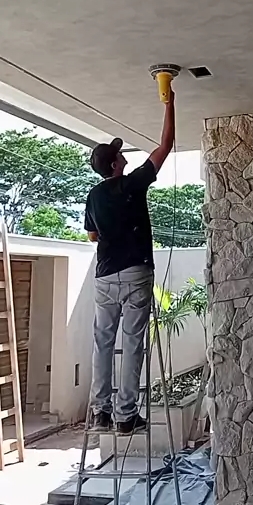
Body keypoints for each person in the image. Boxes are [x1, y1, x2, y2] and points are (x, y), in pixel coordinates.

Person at [84, 89, 175, 433]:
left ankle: (100, 412)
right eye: (119, 154)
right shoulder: (133, 184)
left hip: (105, 277)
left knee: (103, 343)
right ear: (114, 165)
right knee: (133, 343)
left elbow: (92, 236)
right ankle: (125, 416)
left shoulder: (93, 195)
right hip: (136, 273)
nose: (123, 156)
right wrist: (170, 103)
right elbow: (165, 145)